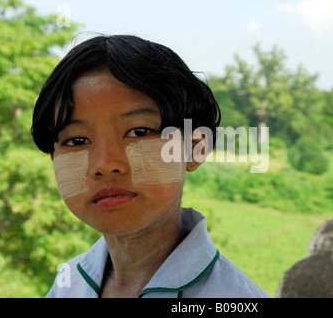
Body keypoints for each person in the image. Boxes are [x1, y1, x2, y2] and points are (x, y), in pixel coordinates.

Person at [31, 34, 269, 298]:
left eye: (139, 131)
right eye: (77, 140)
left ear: (195, 147)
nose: (106, 164)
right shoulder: (67, 284)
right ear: (54, 159)